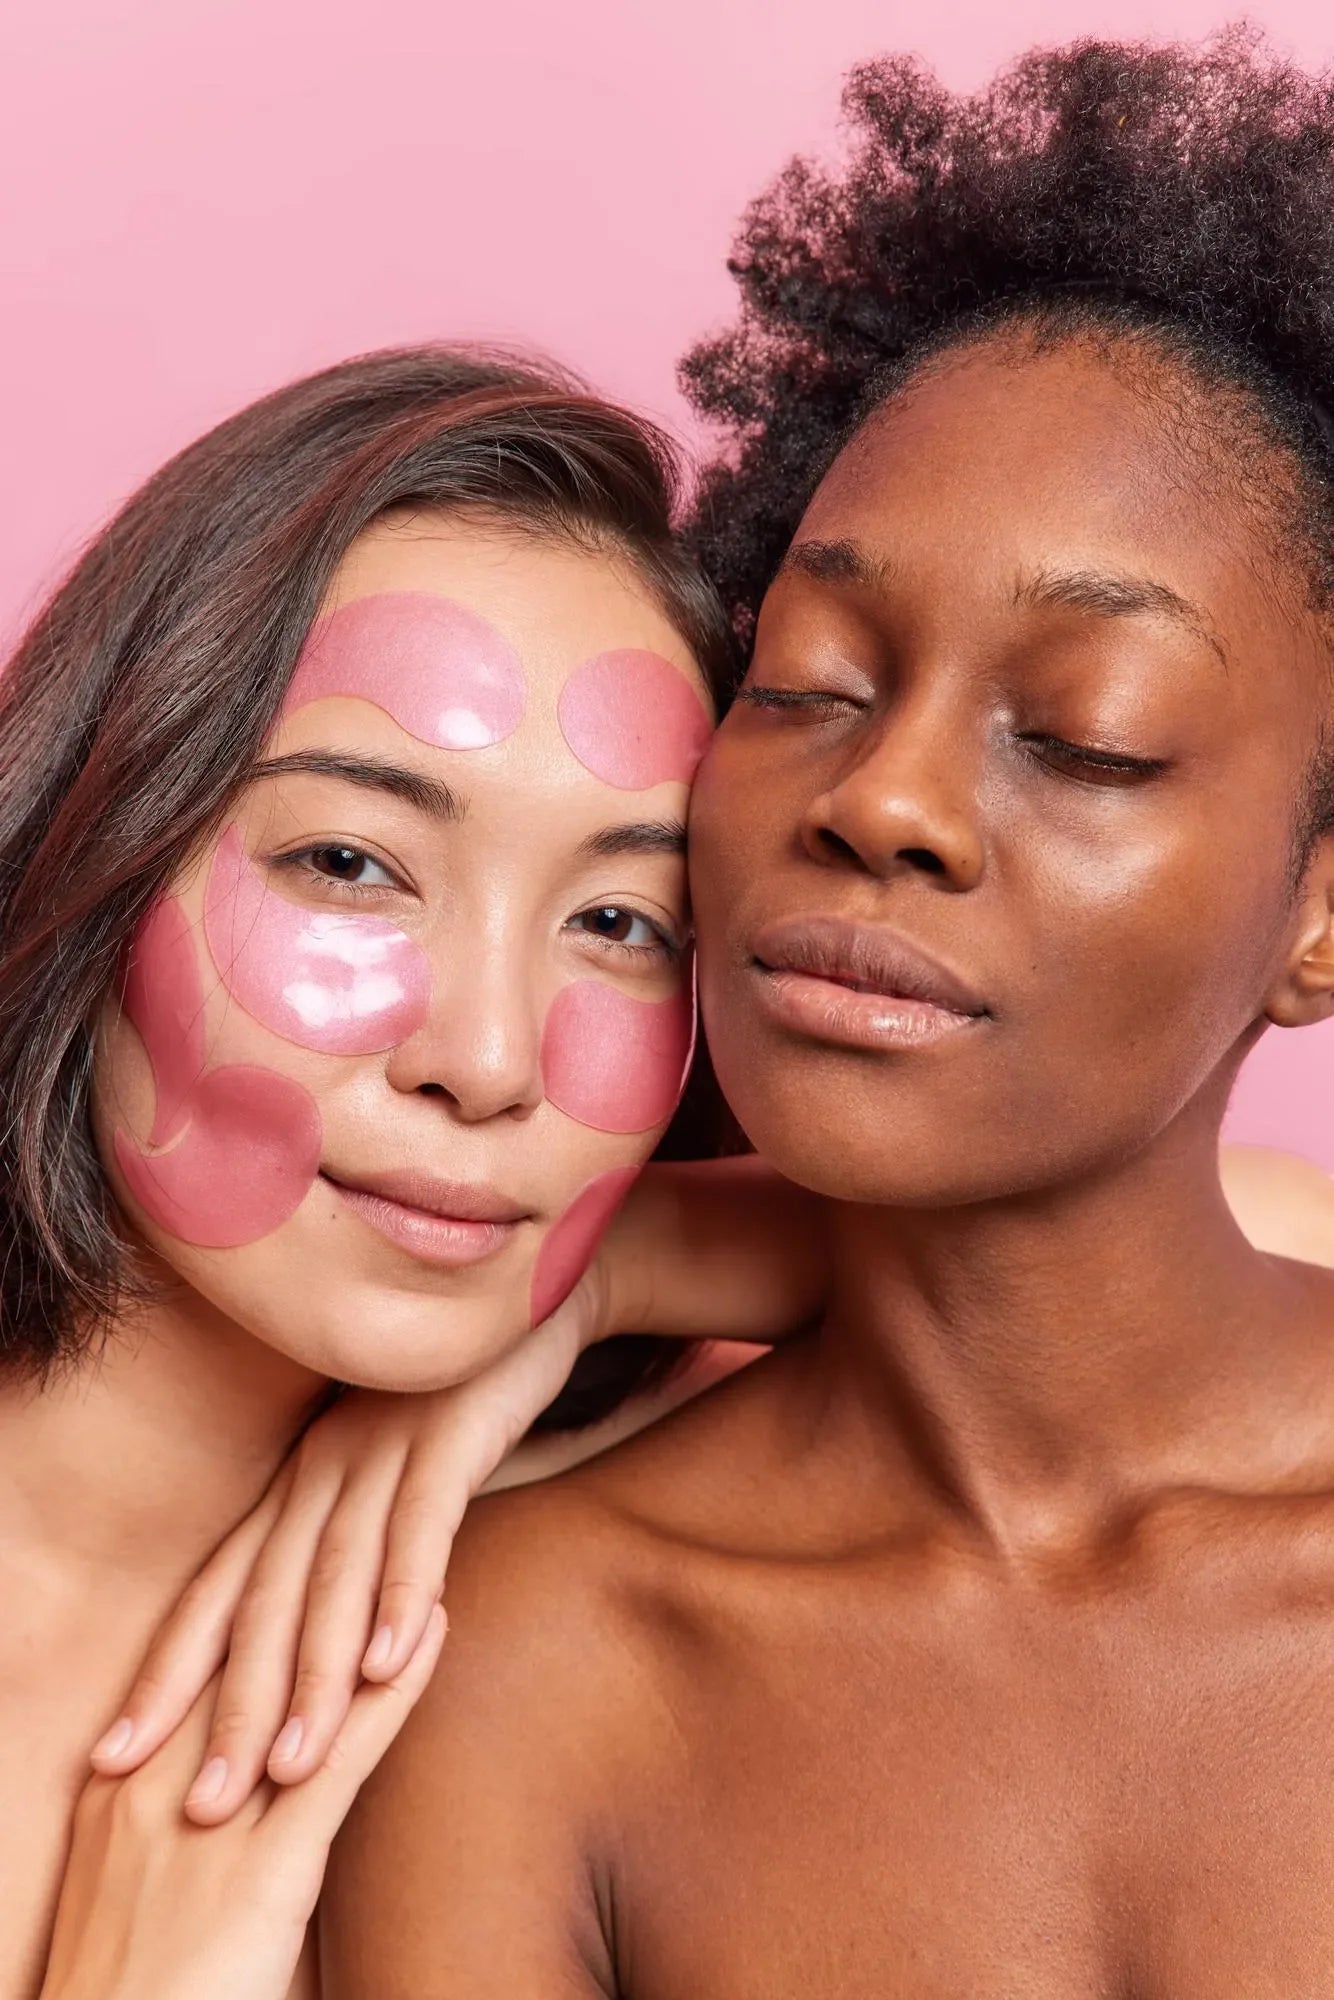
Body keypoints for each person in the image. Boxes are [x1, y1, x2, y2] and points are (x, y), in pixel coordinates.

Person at [322, 31, 1334, 1994]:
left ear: (1322, 916)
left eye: (1085, 734)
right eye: (810, 679)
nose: (879, 803)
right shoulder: (540, 1662)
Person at [0, 347, 825, 1999]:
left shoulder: (564, 1571)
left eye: (619, 921)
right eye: (352, 864)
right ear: (100, 841)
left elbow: (1211, 1249)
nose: (491, 1056)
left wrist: (614, 1269)